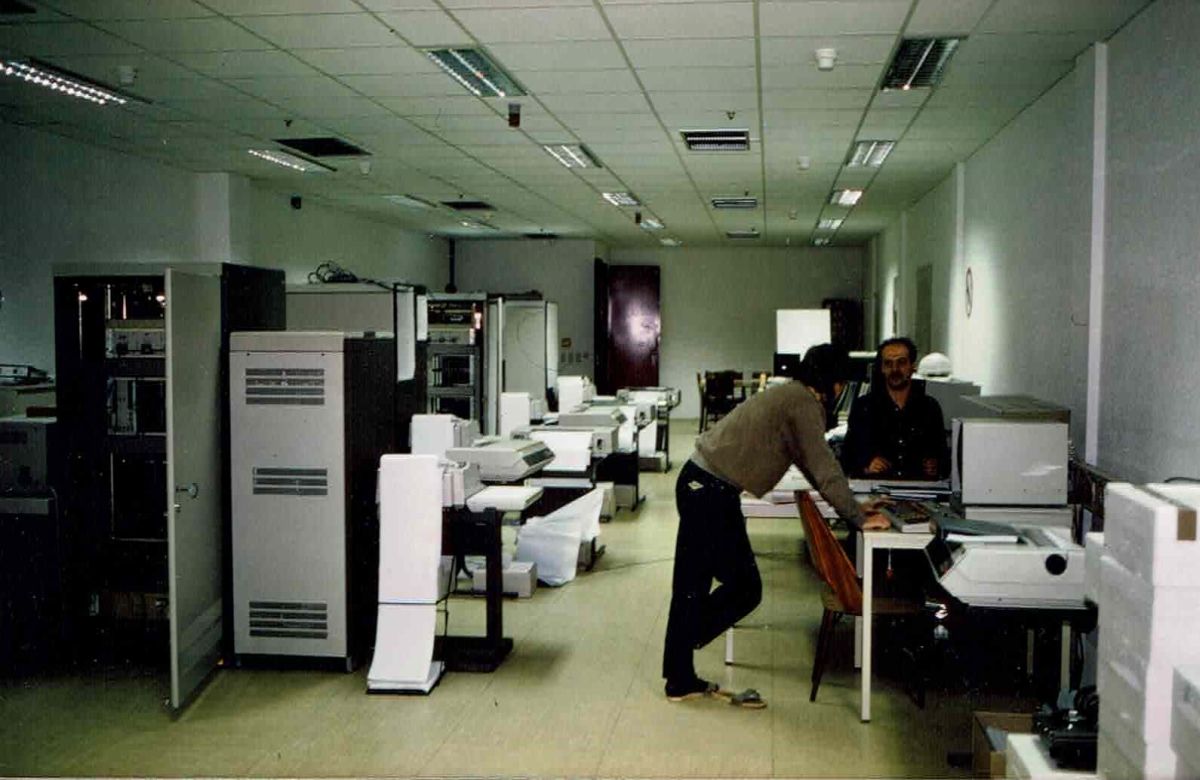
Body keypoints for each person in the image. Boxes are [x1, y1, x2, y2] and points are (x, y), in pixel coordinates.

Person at [663, 344, 890, 707]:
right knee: (744, 587)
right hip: (709, 491)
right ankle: (682, 651)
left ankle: (679, 678)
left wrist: (853, 508)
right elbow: (824, 468)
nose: (840, 391)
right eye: (840, 383)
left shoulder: (792, 395)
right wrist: (859, 518)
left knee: (692, 586)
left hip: (700, 483)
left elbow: (813, 465)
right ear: (831, 382)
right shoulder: (804, 404)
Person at [840, 337, 949, 480]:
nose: (895, 369)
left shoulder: (929, 407)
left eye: (901, 362)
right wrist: (866, 466)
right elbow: (846, 459)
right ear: (882, 368)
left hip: (918, 488)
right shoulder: (864, 407)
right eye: (888, 364)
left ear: (912, 367)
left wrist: (935, 465)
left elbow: (944, 459)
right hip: (876, 487)